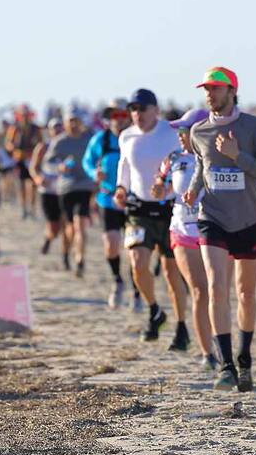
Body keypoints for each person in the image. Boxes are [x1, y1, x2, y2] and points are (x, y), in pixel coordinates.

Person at [185, 67, 256, 390]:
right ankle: (225, 365)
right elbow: (202, 166)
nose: (209, 94)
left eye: (215, 88)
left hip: (249, 220)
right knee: (216, 287)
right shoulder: (199, 131)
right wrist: (194, 189)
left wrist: (238, 156)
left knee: (246, 294)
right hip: (212, 218)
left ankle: (245, 358)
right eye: (206, 89)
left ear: (232, 91)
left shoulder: (253, 127)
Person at [114, 88, 188, 346]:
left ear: (156, 110)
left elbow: (184, 164)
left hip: (168, 209)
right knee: (137, 262)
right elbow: (124, 166)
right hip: (138, 208)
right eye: (133, 109)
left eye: (143, 108)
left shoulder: (171, 133)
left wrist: (168, 188)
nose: (137, 114)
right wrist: (120, 189)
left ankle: (181, 326)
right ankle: (154, 310)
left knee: (171, 272)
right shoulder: (126, 136)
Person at [156, 108, 217, 366]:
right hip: (182, 229)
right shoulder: (173, 158)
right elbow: (161, 188)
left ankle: (220, 340)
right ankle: (207, 353)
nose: (180, 135)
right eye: (179, 130)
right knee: (200, 290)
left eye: (185, 130)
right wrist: (159, 188)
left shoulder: (219, 157)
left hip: (214, 230)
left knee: (218, 291)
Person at [83, 104, 136, 308]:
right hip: (107, 199)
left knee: (135, 250)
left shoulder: (136, 137)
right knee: (111, 244)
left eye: (124, 115)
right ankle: (117, 280)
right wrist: (93, 174)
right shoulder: (101, 139)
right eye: (115, 115)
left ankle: (138, 291)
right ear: (109, 118)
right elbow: (87, 162)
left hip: (133, 200)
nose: (120, 119)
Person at [44, 109, 95, 276]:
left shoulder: (90, 139)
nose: (74, 124)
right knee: (69, 227)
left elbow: (98, 156)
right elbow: (48, 163)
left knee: (80, 225)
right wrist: (59, 167)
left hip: (85, 186)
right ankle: (66, 254)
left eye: (77, 121)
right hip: (65, 188)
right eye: (70, 121)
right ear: (65, 123)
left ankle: (80, 259)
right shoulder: (59, 142)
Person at [31, 117, 68, 259]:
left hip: (65, 189)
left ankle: (65, 256)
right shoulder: (43, 147)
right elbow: (33, 167)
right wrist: (38, 178)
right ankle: (48, 238)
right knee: (54, 227)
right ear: (49, 131)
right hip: (47, 191)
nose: (58, 130)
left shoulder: (68, 146)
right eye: (54, 128)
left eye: (60, 127)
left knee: (66, 224)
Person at [5, 106, 43, 219]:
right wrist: (13, 148)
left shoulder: (36, 128)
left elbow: (40, 143)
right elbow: (8, 143)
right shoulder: (15, 128)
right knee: (21, 185)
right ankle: (24, 208)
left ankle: (32, 209)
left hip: (32, 158)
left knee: (33, 185)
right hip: (19, 158)